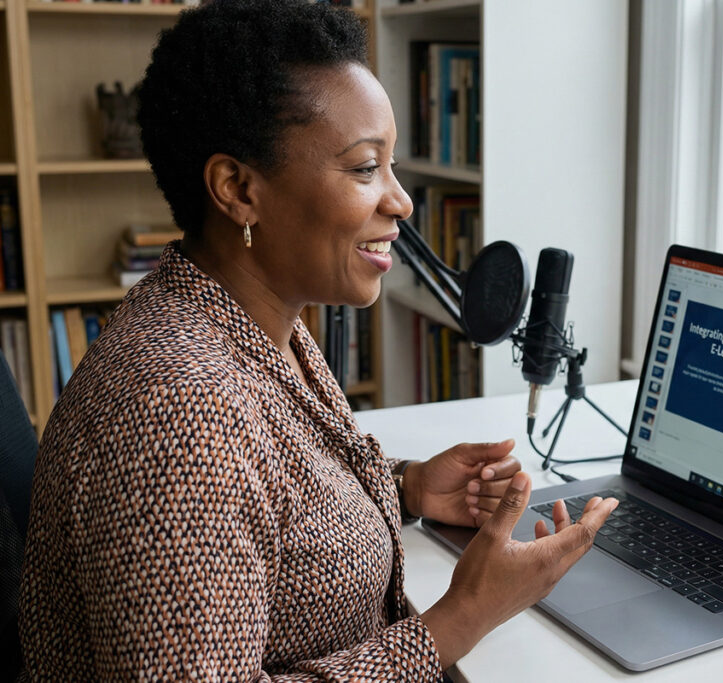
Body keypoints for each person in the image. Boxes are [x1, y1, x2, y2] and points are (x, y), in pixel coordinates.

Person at [18, 1, 618, 679]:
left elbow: (265, 512)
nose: (402, 202)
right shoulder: (179, 414)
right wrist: (461, 618)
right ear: (237, 189)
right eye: (365, 168)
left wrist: (405, 489)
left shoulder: (245, 321)